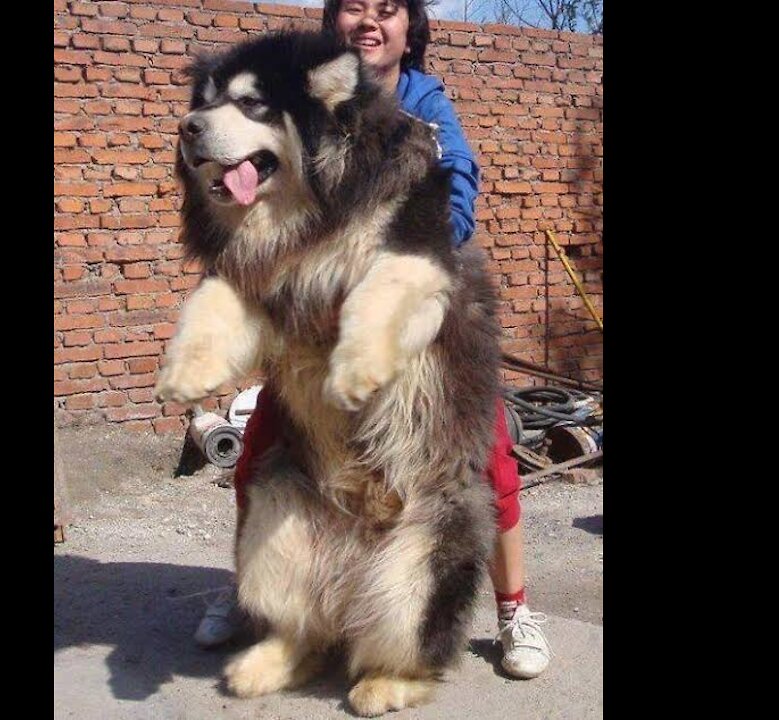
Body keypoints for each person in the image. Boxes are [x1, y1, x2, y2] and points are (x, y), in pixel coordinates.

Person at [193, 0, 552, 680]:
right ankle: (256, 594)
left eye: (386, 10)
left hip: (414, 319)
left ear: (407, 28)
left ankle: (513, 608)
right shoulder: (294, 98)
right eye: (353, 7)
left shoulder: (424, 104)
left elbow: (456, 194)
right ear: (332, 26)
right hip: (309, 326)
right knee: (261, 454)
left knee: (490, 458)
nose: (368, 22)